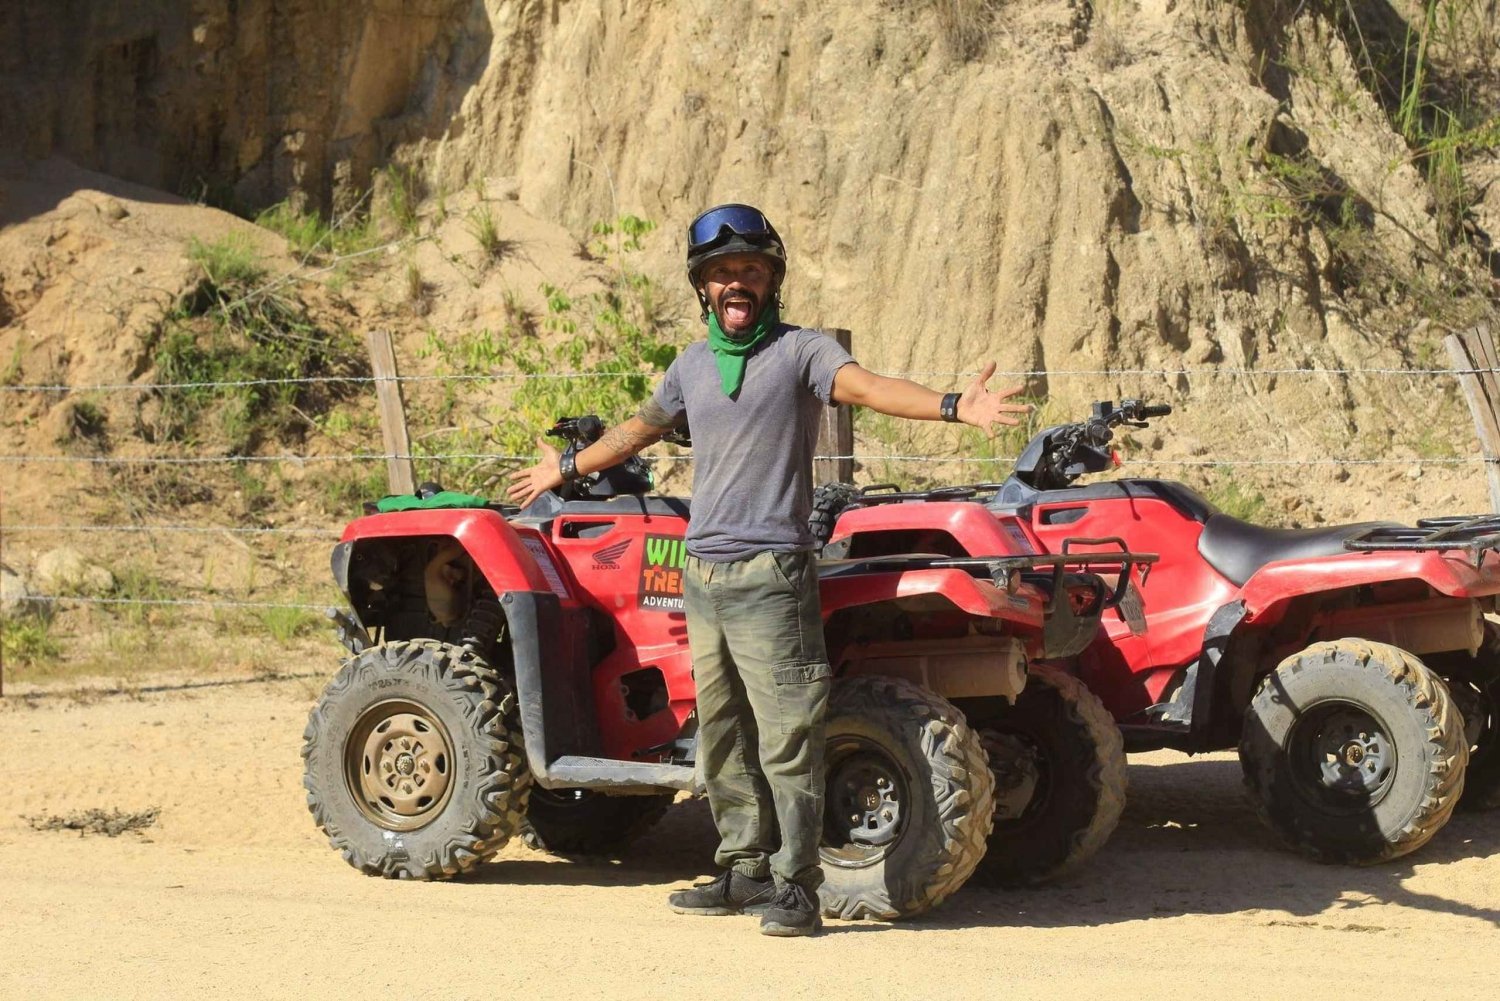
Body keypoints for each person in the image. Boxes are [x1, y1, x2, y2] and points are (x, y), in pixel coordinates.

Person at [508, 203, 1029, 936]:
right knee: (722, 733)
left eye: (750, 270)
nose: (736, 283)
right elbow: (639, 428)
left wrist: (954, 406)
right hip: (705, 574)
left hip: (770, 575)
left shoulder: (801, 352)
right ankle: (744, 867)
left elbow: (870, 387)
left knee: (787, 735)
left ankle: (798, 885)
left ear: (771, 280)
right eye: (722, 273)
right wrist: (565, 466)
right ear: (703, 287)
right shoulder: (690, 365)